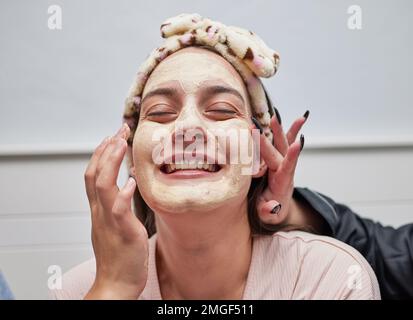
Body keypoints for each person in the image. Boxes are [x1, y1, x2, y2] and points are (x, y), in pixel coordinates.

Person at [50, 14, 380, 300]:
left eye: (222, 111)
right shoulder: (78, 290)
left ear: (258, 155)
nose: (188, 127)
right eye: (161, 113)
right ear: (132, 158)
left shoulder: (330, 280)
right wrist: (113, 288)